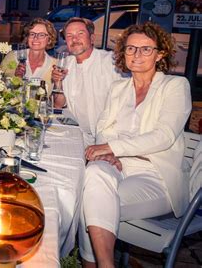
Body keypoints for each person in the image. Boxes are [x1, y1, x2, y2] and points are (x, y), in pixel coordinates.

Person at [79, 22, 192, 267]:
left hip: (155, 175)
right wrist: (106, 153)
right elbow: (102, 129)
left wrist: (113, 148)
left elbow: (164, 135)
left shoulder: (175, 86)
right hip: (117, 165)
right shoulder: (118, 88)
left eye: (145, 49)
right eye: (130, 49)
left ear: (160, 54)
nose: (136, 55)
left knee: (88, 199)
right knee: (95, 173)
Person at [52, 17, 124, 147]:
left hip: (110, 139)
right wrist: (58, 82)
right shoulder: (66, 63)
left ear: (91, 38)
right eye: (69, 36)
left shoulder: (111, 62)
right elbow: (58, 104)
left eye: (80, 34)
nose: (74, 39)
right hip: (78, 136)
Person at [1, 18, 57, 88]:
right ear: (27, 38)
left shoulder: (55, 65)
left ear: (49, 40)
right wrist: (16, 78)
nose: (36, 38)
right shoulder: (12, 57)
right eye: (32, 34)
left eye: (41, 35)